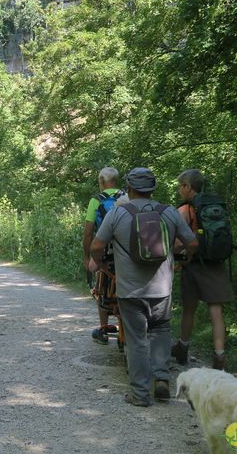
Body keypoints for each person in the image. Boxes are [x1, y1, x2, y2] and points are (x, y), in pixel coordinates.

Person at [90, 167, 198, 407]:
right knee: (160, 332)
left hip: (130, 290)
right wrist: (180, 257)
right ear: (153, 189)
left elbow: (97, 246)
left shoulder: (118, 213)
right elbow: (192, 242)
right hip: (162, 289)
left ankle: (140, 394)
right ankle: (161, 379)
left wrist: (100, 265)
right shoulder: (169, 212)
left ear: (129, 187)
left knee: (136, 339)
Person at [171, 169, 234, 370]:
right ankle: (219, 357)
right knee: (216, 310)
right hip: (216, 264)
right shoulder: (215, 206)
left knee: (189, 309)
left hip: (194, 265)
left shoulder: (186, 210)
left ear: (188, 187)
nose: (180, 190)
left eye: (181, 186)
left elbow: (177, 243)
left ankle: (183, 347)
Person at [82, 167, 125, 344]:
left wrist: (87, 257)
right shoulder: (128, 196)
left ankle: (104, 329)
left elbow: (88, 232)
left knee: (102, 288)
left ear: (101, 181)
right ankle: (125, 328)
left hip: (105, 251)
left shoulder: (96, 200)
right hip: (126, 249)